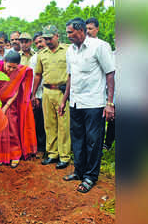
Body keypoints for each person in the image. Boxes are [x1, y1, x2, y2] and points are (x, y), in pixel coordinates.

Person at [60, 18, 115, 193]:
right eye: (67, 32)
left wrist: (109, 103)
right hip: (75, 102)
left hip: (94, 102)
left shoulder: (99, 46)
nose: (68, 36)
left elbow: (110, 73)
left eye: (70, 32)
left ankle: (90, 176)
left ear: (81, 31)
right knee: (77, 139)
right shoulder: (70, 50)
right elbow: (70, 76)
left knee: (93, 141)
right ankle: (79, 171)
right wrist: (64, 100)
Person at [32, 25, 71, 169]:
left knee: (64, 125)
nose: (47, 41)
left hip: (62, 92)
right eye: (45, 38)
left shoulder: (68, 50)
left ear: (57, 35)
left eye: (50, 38)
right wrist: (33, 93)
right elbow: (38, 75)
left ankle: (64, 156)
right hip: (47, 91)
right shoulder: (41, 54)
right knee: (49, 124)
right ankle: (52, 153)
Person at [0, 51, 37, 167]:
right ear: (4, 62)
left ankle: (15, 155)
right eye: (9, 66)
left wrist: (6, 107)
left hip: (11, 105)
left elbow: (15, 91)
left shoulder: (19, 72)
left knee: (12, 128)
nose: (11, 70)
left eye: (14, 67)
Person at [86, 17, 116, 150]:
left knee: (100, 123)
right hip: (85, 92)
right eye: (85, 29)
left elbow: (109, 71)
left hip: (101, 91)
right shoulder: (80, 46)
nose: (88, 31)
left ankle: (99, 148)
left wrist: (109, 98)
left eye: (90, 28)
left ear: (97, 29)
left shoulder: (103, 46)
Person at [29, 32, 47, 157]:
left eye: (41, 41)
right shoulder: (34, 58)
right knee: (40, 122)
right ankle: (41, 148)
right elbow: (33, 77)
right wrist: (33, 95)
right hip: (39, 94)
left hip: (55, 92)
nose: (39, 45)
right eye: (36, 43)